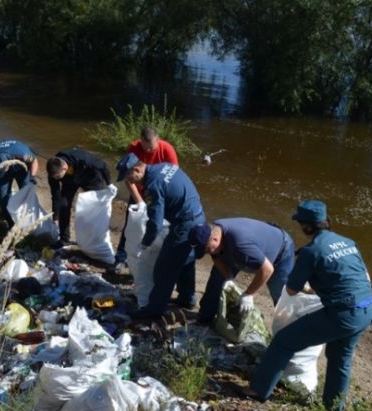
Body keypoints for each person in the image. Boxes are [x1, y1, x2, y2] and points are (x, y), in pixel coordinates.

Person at [237, 200, 372, 411]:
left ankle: (258, 390)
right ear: (326, 221)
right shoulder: (348, 242)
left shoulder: (311, 251)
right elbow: (361, 276)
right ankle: (334, 410)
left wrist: (310, 288)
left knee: (284, 341)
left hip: (341, 314)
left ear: (306, 226)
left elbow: (292, 290)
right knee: (340, 358)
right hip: (366, 310)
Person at [116, 153, 205, 318]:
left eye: (130, 177)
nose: (131, 182)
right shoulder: (164, 166)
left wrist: (145, 243)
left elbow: (155, 222)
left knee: (164, 268)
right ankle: (188, 299)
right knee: (185, 260)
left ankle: (153, 311)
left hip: (184, 224)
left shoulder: (152, 184)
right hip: (198, 216)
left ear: (137, 169)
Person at [189, 218, 295, 323]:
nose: (207, 253)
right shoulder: (213, 231)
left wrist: (249, 294)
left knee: (282, 296)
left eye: (207, 249)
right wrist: (228, 277)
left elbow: (267, 269)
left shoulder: (240, 245)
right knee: (217, 280)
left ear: (215, 239)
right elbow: (215, 256)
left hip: (280, 252)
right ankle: (204, 318)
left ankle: (286, 330)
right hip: (236, 250)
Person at [114, 127, 178, 268]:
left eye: (152, 147)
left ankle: (154, 258)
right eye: (145, 147)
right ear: (140, 140)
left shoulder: (167, 149)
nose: (148, 151)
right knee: (131, 223)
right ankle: (120, 257)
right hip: (139, 189)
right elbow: (128, 177)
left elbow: (174, 176)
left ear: (158, 139)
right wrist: (140, 202)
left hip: (159, 192)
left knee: (159, 224)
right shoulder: (134, 148)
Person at [46, 149, 111, 247]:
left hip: (90, 177)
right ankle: (64, 240)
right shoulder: (53, 172)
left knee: (96, 207)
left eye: (58, 177)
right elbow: (55, 196)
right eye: (55, 177)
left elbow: (102, 165)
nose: (57, 179)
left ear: (64, 167)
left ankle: (96, 240)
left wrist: (109, 183)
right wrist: (55, 217)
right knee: (64, 206)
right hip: (70, 182)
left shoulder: (81, 158)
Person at [0, 139, 38, 227]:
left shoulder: (24, 155)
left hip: (20, 166)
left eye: (6, 168)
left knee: (26, 190)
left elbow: (35, 161)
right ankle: (11, 223)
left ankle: (29, 217)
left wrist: (32, 177)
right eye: (5, 169)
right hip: (2, 170)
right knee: (3, 197)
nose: (7, 169)